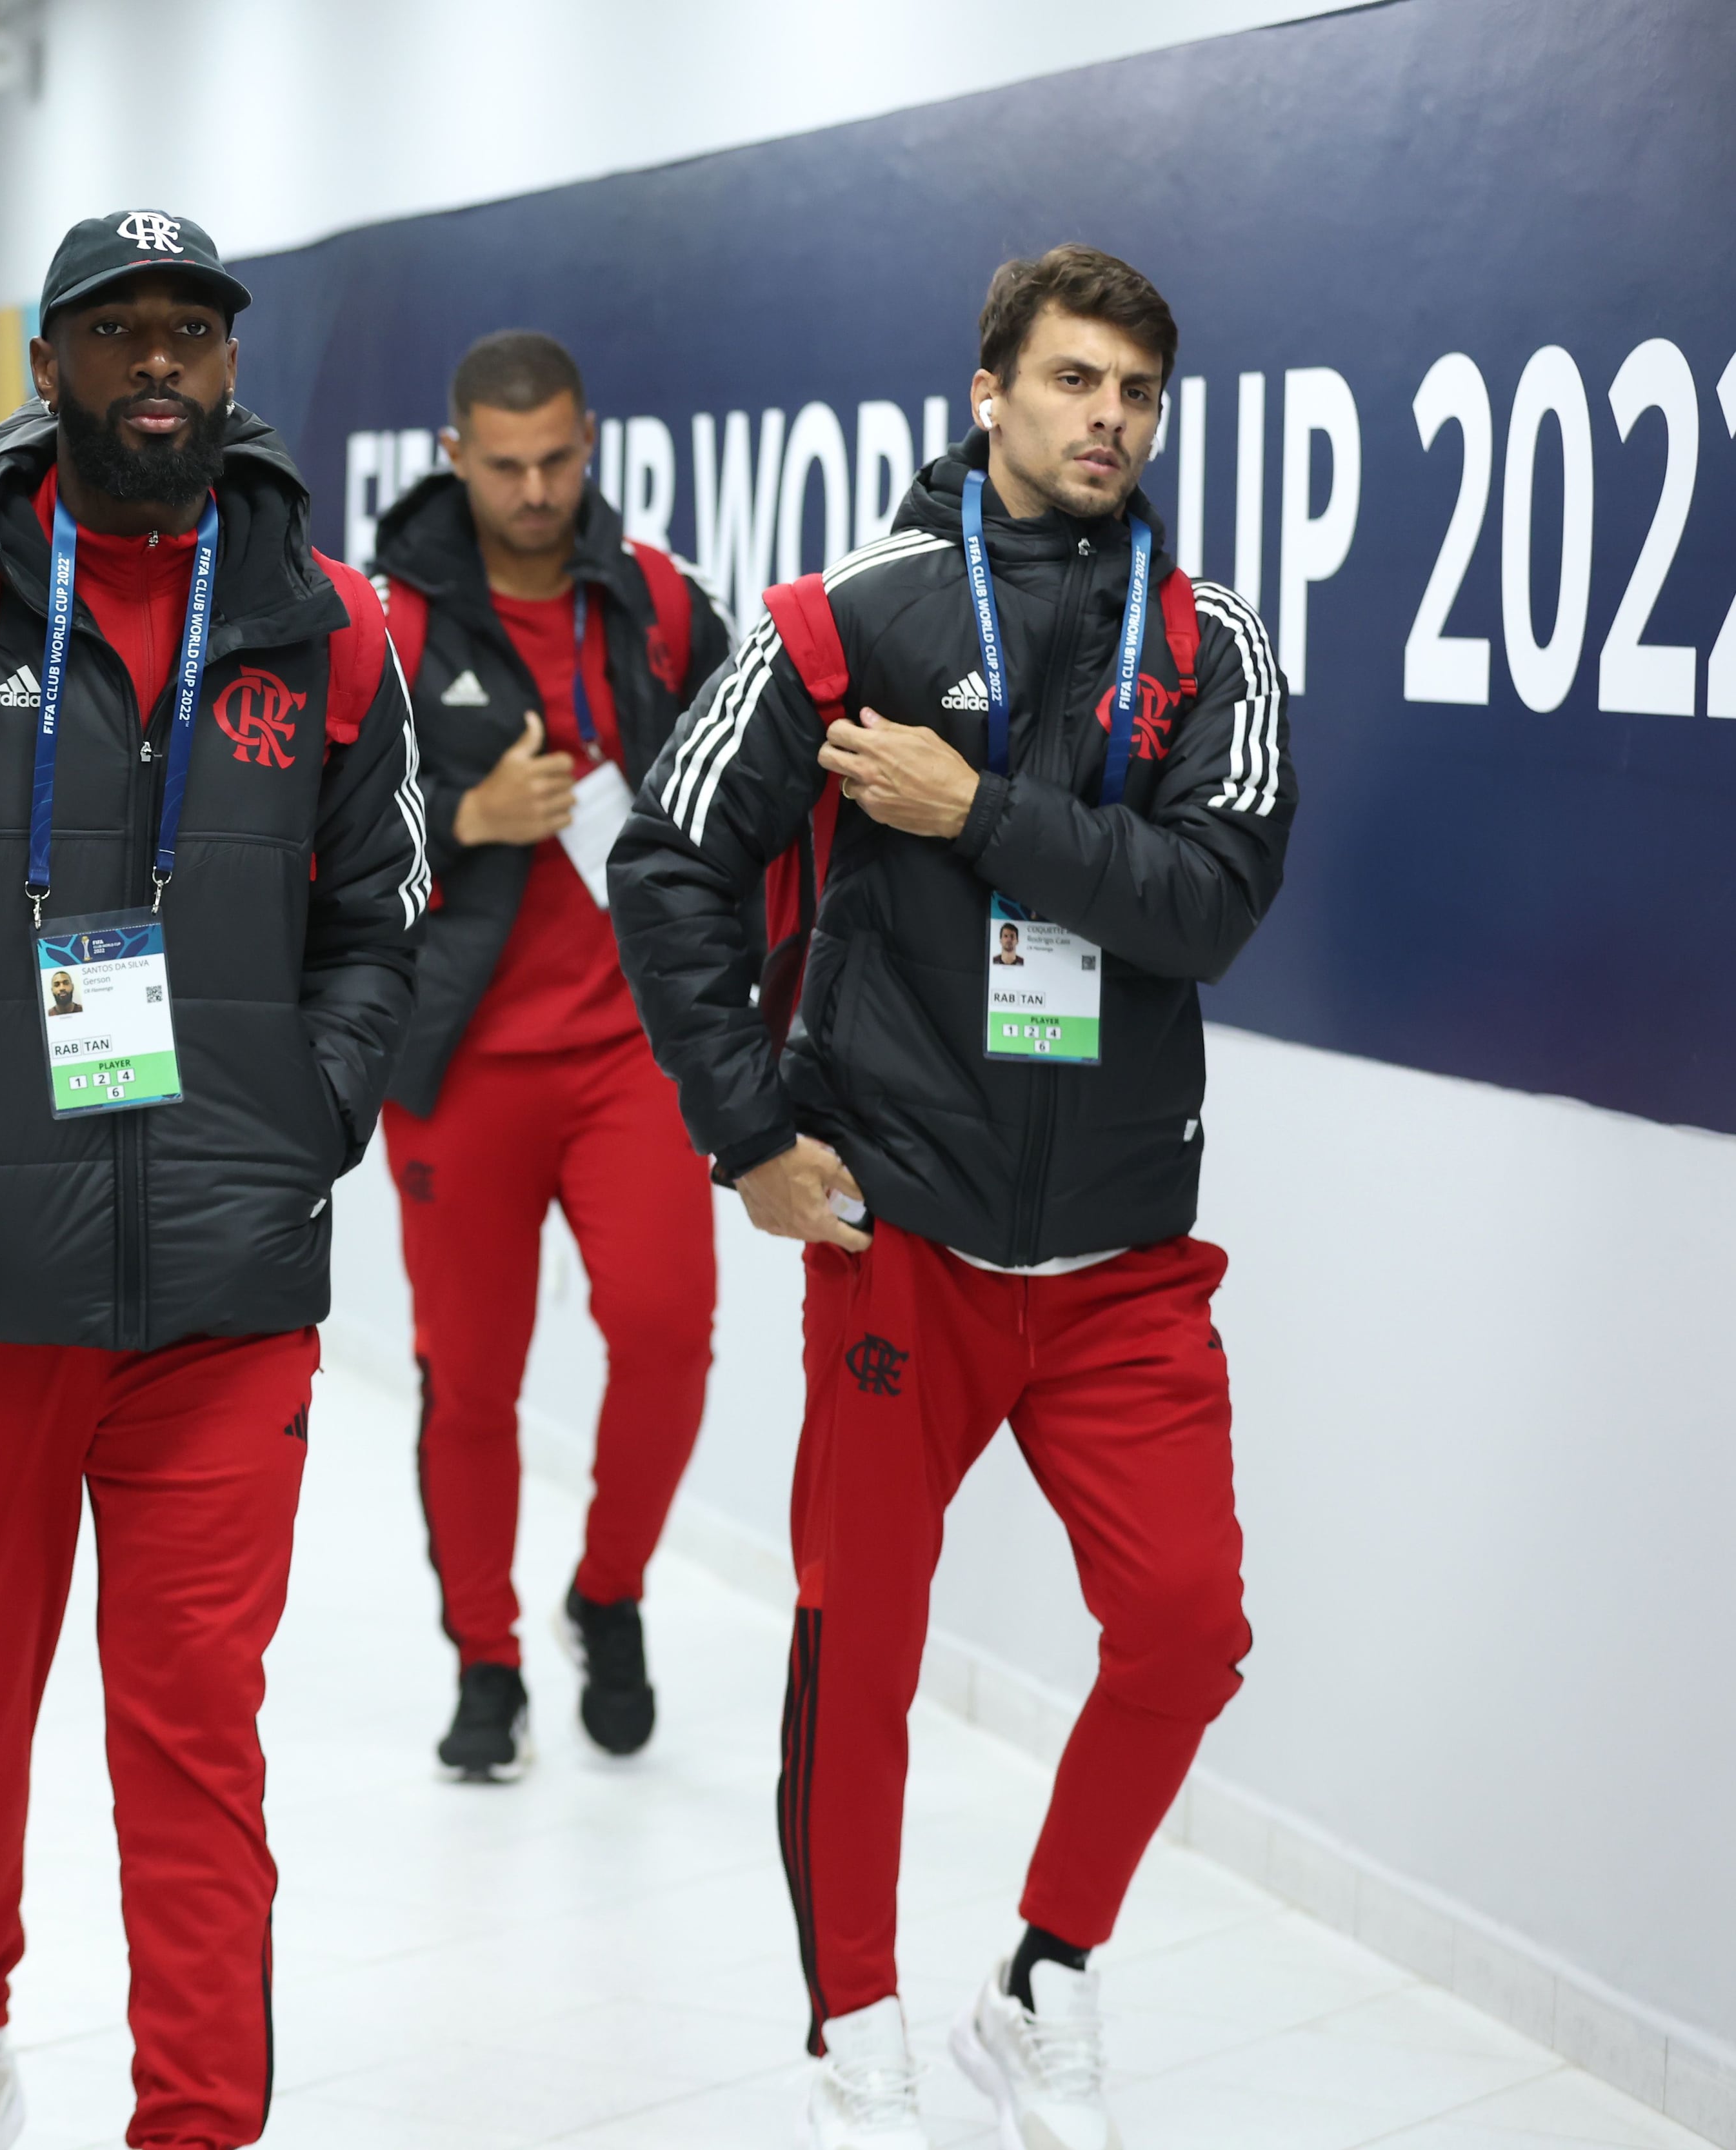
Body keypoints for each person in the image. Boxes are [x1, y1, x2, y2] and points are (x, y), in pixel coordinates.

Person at [0, 209, 427, 2150]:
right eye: (113, 332)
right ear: (43, 367)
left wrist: (311, 1112)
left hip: (225, 1296)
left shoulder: (330, 625)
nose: (155, 366)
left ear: (226, 369)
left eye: (188, 334)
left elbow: (385, 923)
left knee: (194, 1733)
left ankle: (197, 2119)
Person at [607, 244, 1293, 2150]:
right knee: (864, 1641)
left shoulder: (1209, 641)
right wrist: (745, 1135)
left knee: (1183, 1630)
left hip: (1121, 1264)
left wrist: (973, 814)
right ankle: (853, 2030)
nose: (1104, 420)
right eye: (1071, 380)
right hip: (896, 1224)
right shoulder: (848, 615)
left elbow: (1208, 906)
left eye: (1135, 395)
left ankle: (1041, 1971)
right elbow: (667, 859)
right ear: (986, 388)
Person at [371, 330, 730, 1783]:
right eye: (505, 465)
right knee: (470, 1382)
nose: (534, 490)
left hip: (630, 1051)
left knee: (663, 1331)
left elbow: (736, 785)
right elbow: (309, 850)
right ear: (454, 456)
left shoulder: (651, 603)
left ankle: (610, 1586)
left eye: (558, 461)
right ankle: (484, 1654)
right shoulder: (383, 623)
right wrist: (461, 822)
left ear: (591, 444)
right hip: (458, 1058)